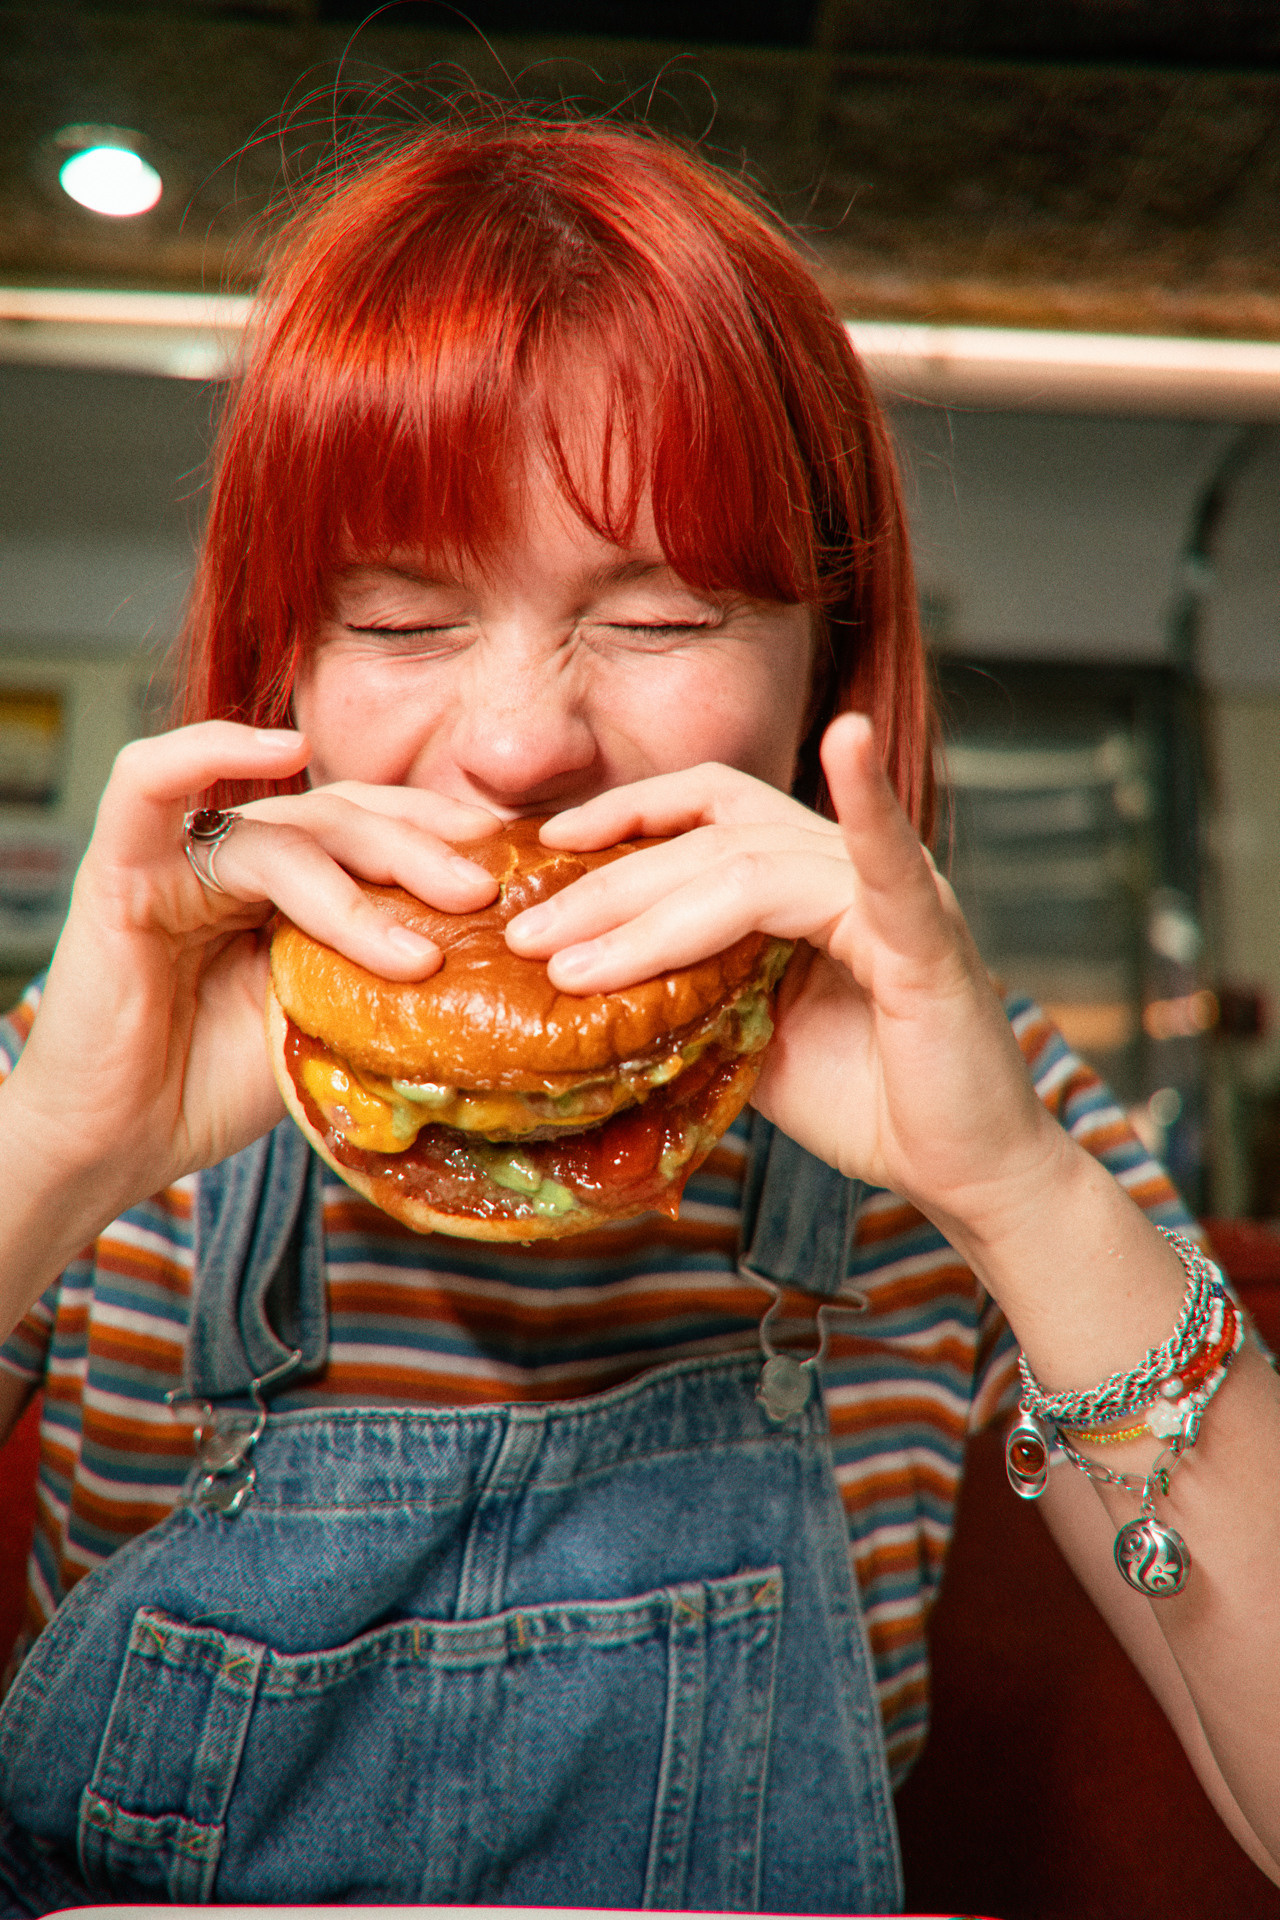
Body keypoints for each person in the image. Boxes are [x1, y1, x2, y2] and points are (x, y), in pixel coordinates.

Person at [0, 114, 1277, 1914]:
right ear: (286, 660)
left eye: (666, 612)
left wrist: (1025, 1198)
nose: (521, 741)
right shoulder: (98, 1061)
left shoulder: (974, 1118)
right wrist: (51, 1158)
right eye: (399, 614)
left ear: (822, 664)